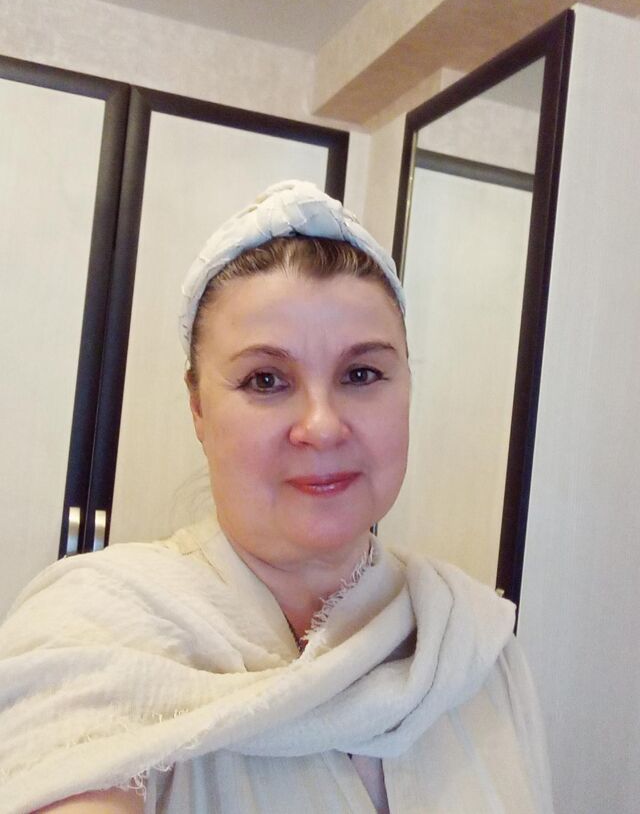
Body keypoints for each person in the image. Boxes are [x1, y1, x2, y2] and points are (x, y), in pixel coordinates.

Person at [0, 181, 553, 813]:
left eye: (362, 374)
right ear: (198, 407)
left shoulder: (474, 648)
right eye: (266, 380)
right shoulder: (95, 635)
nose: (322, 426)